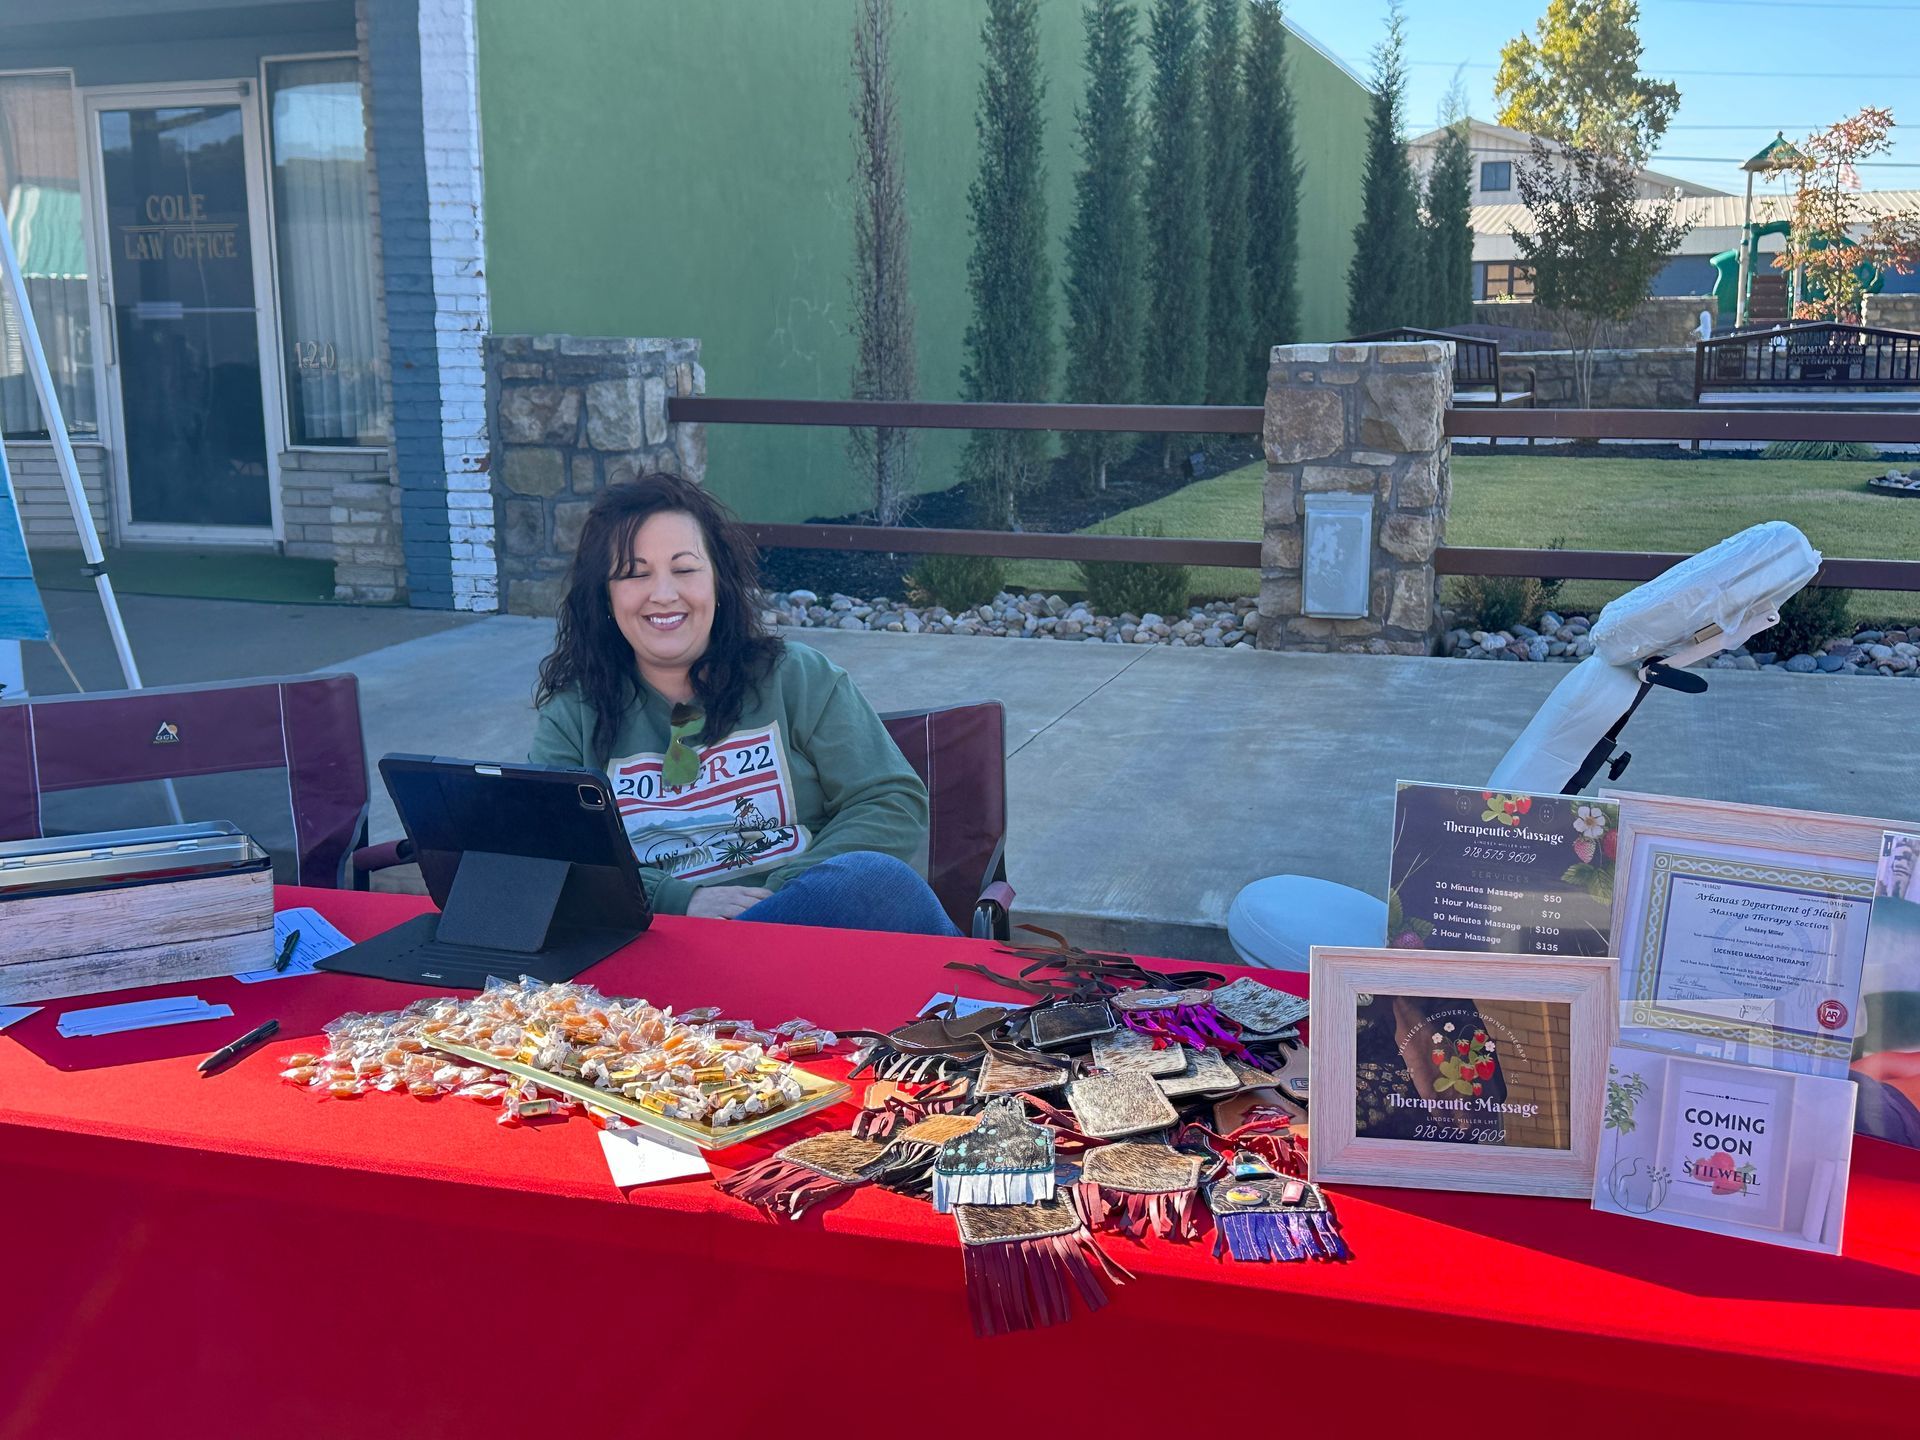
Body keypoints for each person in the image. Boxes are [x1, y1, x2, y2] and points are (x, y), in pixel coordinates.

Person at [530, 472, 959, 937]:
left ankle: (991, 1010)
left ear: (718, 580)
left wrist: (788, 894)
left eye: (685, 568)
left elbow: (889, 800)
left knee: (878, 884)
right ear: (606, 598)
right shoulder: (573, 715)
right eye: (636, 574)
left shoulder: (796, 677)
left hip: (798, 930)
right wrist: (678, 899)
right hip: (661, 946)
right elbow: (551, 850)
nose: (664, 593)